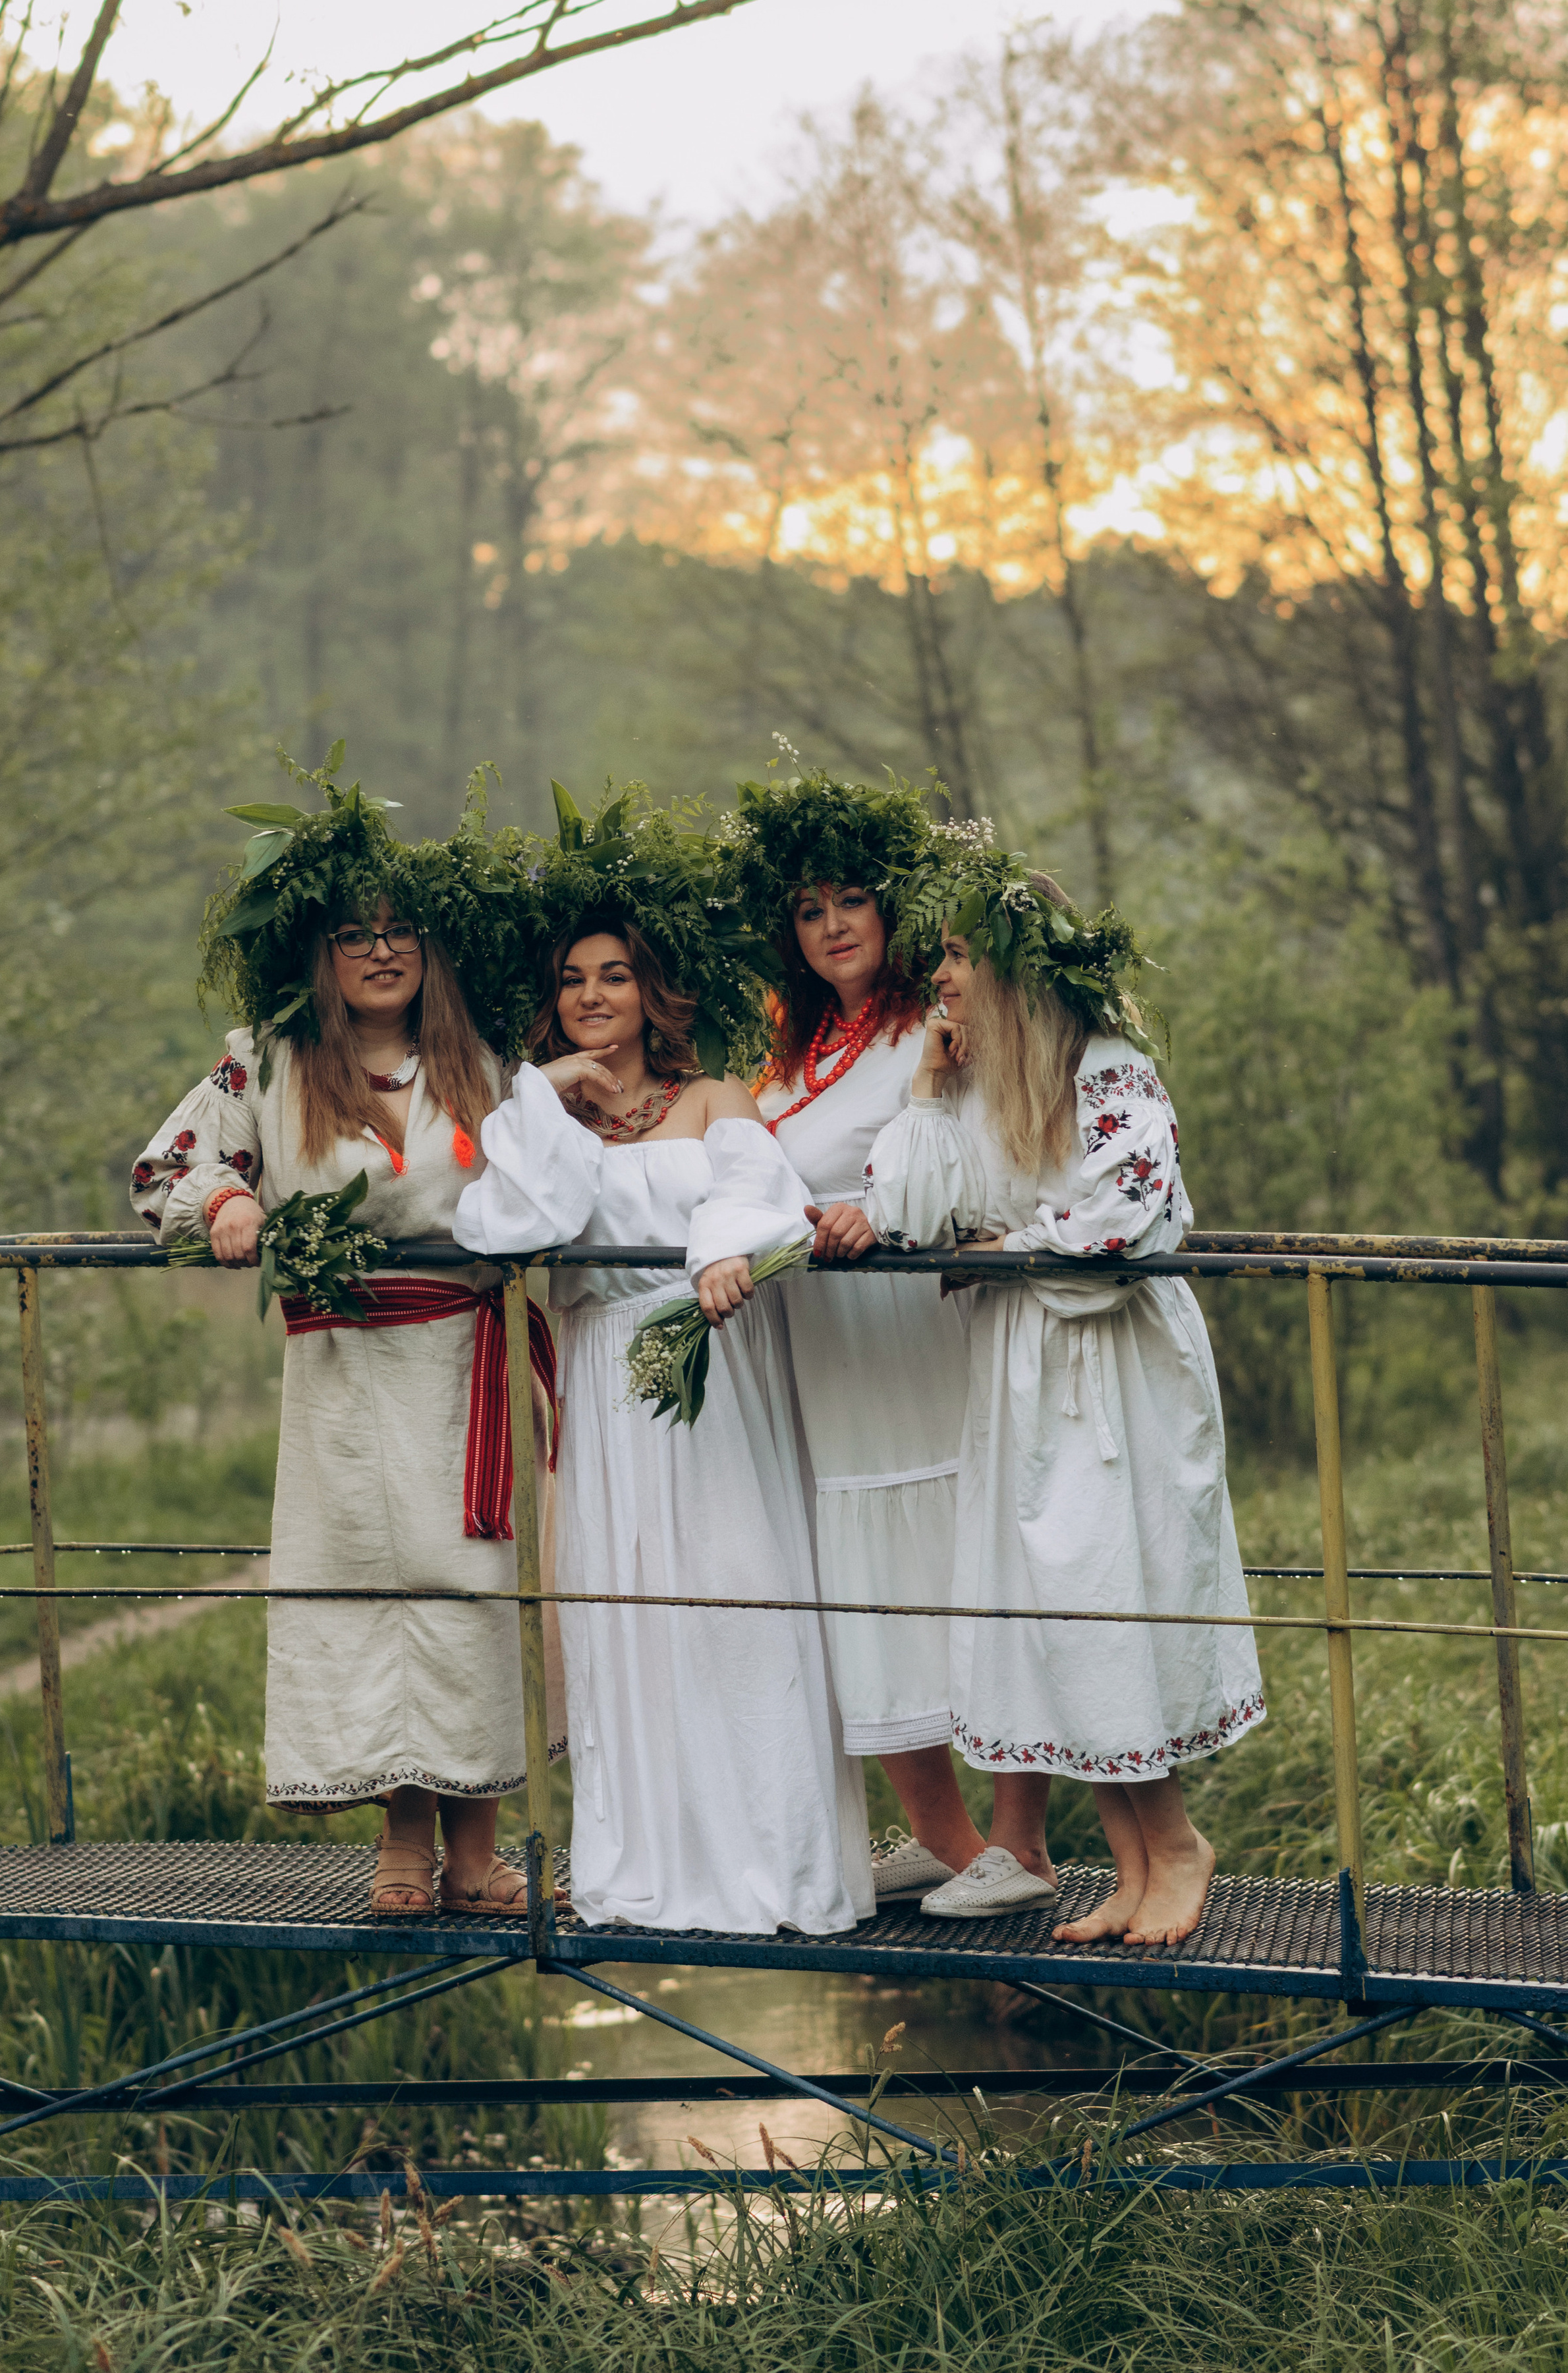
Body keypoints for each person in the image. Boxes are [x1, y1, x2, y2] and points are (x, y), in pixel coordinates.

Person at [131, 778, 555, 1921]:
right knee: (366, 1587)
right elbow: (165, 1168)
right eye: (357, 936)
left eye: (399, 932)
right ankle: (402, 1844)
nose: (380, 952)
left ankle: (477, 1847)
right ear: (321, 955)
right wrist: (226, 1199)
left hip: (462, 1363)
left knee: (465, 1593)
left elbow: (573, 1180)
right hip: (340, 1372)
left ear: (430, 951)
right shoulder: (268, 1064)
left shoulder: (489, 1069)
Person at [864, 866, 1264, 1945]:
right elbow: (906, 1214)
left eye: (955, 954)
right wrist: (928, 1092)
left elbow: (1120, 1233)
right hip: (1021, 1379)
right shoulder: (984, 1087)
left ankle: (1177, 1847)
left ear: (1011, 964)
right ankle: (1132, 1868)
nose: (937, 976)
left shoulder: (1111, 1070)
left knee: (1105, 1600)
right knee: (1055, 1621)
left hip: (1112, 1380)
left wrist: (1007, 1250)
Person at [456, 908, 873, 1938]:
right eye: (571, 980)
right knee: (627, 1610)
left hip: (708, 1352)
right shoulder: (544, 1122)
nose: (592, 996)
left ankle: (775, 1863)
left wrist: (719, 1254)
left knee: (739, 1593)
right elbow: (506, 1218)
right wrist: (547, 1091)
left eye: (614, 976)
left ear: (652, 993)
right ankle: (645, 1866)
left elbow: (757, 1191)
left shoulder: (712, 1097)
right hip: (603, 1371)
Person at [737, 773, 986, 1907]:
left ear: (889, 911)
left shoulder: (939, 1029)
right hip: (822, 1345)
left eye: (850, 901)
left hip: (915, 1333)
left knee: (965, 1564)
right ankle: (948, 1841)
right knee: (863, 1581)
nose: (833, 924)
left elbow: (974, 1154)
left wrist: (883, 1209)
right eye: (808, 910)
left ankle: (1019, 1845)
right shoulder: (789, 1054)